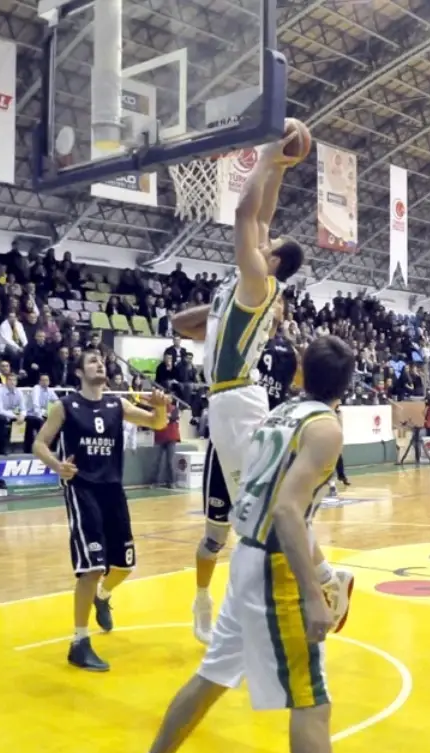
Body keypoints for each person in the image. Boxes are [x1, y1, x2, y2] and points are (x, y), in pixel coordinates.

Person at [124, 336, 356, 753]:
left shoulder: (279, 414)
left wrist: (326, 575)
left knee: (213, 675)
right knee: (311, 703)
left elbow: (271, 499)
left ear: (301, 374)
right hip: (274, 566)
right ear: (346, 385)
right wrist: (314, 593)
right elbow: (289, 511)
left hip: (247, 554)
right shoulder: (325, 428)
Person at [170, 123, 351, 645]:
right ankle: (320, 578)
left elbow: (247, 215)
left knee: (267, 502)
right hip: (230, 401)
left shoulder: (256, 282)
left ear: (274, 261)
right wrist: (280, 169)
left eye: (270, 245)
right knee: (261, 503)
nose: (263, 240)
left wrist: (269, 153)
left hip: (235, 401)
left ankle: (322, 580)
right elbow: (264, 214)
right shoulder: (254, 277)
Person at [31, 347, 169, 672]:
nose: (100, 364)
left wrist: (160, 407)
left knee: (124, 565)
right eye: (92, 361)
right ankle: (79, 642)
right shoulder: (64, 407)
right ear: (79, 372)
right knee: (92, 567)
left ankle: (103, 596)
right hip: (82, 490)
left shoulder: (116, 404)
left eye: (101, 360)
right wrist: (56, 465)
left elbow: (156, 423)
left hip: (113, 490)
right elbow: (39, 444)